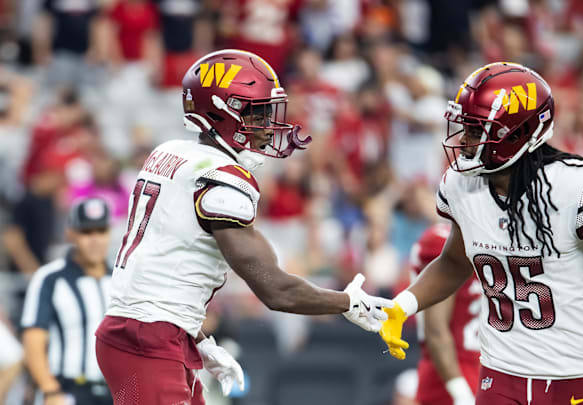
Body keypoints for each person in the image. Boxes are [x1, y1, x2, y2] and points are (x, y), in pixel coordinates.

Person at [379, 62, 583, 405]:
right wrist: (403, 305)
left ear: (516, 133)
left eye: (476, 130)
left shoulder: (573, 186)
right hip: (499, 374)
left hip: (566, 379)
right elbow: (454, 263)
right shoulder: (461, 187)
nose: (465, 140)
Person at [95, 49, 393, 405]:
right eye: (258, 113)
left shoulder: (170, 153)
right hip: (148, 339)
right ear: (222, 111)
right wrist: (346, 302)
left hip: (144, 332)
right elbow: (275, 291)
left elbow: (164, 261)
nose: (268, 125)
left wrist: (199, 339)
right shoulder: (221, 177)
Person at [21, 198, 114, 405]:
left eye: (101, 231)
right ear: (71, 233)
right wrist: (49, 390)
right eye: (87, 232)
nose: (95, 240)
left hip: (113, 392)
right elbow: (33, 339)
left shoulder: (120, 279)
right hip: (68, 389)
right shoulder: (50, 278)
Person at [411, 223, 482, 405]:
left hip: (485, 366)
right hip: (451, 370)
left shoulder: (490, 235)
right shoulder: (441, 239)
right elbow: (436, 329)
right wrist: (459, 392)